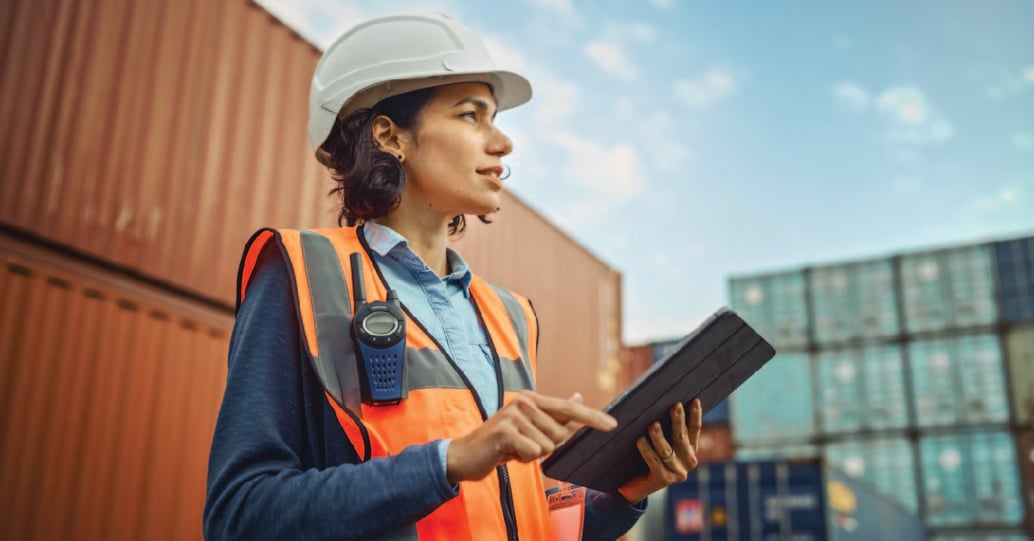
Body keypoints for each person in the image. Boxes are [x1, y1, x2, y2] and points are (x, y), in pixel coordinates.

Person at [203, 11, 702, 541]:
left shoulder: (510, 316)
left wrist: (622, 493)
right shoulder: (301, 274)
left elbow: (513, 517)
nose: (503, 142)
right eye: (471, 115)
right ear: (389, 136)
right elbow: (239, 514)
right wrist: (448, 460)